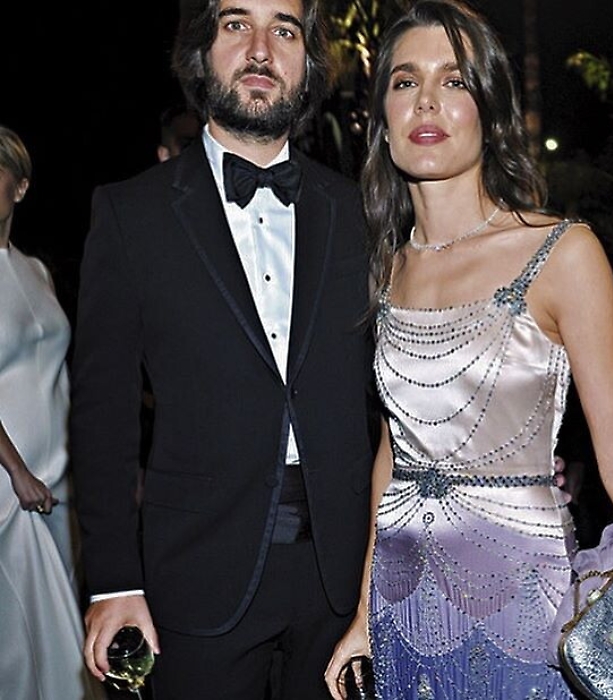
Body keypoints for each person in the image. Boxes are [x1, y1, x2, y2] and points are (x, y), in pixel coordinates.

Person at [323, 2, 613, 699]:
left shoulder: (561, 252)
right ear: (382, 119)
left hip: (522, 606)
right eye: (405, 81)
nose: (427, 100)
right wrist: (363, 615)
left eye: (454, 80)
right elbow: (395, 452)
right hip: (401, 609)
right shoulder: (387, 267)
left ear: (490, 110)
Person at [68, 1, 376, 699]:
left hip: (340, 581)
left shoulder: (358, 211)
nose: (262, 47)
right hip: (196, 573)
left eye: (285, 29)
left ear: (307, 61)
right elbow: (102, 413)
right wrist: (113, 582)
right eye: (237, 24)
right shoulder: (130, 213)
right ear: (201, 51)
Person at [0, 125, 104, 699]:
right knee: (29, 645)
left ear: (20, 187)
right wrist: (16, 471)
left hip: (58, 482)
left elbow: (60, 373)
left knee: (63, 631)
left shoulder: (36, 270)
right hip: (10, 488)